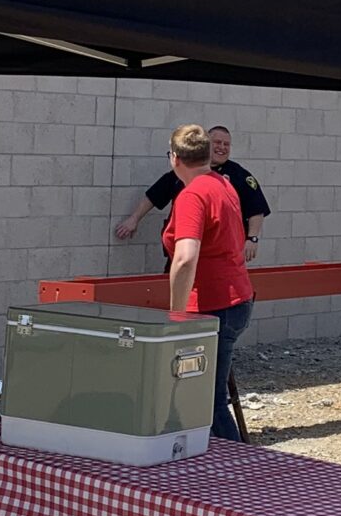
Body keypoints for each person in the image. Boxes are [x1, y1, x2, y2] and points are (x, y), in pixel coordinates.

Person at [161, 123, 255, 442]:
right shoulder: (223, 184)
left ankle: (236, 472)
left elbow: (186, 258)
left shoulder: (192, 195)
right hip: (234, 298)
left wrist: (176, 316)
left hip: (212, 306)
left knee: (205, 403)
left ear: (175, 158)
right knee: (203, 397)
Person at [115, 123, 269, 263]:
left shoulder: (239, 175)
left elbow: (256, 208)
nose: (222, 147)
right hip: (181, 252)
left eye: (226, 144)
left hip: (219, 256)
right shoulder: (187, 170)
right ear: (206, 145)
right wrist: (134, 219)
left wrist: (252, 238)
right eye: (217, 143)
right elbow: (155, 195)